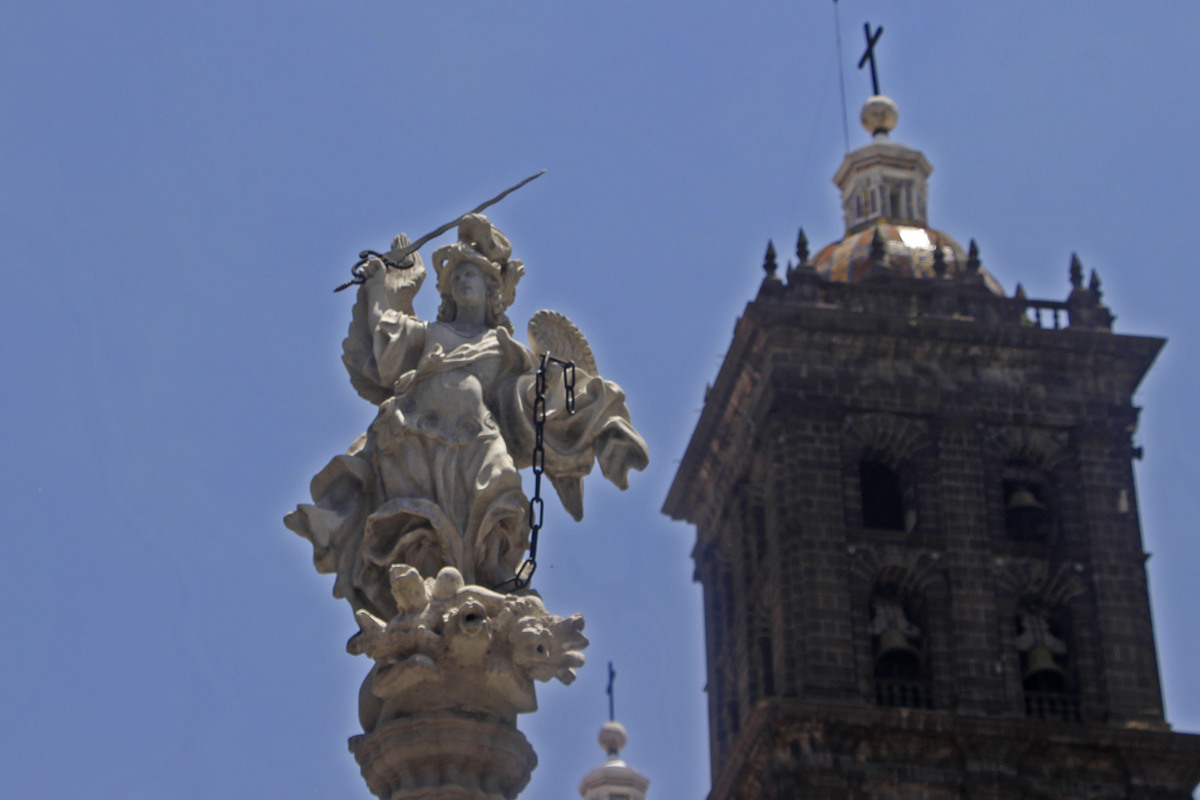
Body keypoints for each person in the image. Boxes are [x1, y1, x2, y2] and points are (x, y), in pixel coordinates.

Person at [287, 214, 648, 619]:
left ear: (492, 287)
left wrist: (599, 423)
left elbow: (542, 398)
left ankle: (485, 572)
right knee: (416, 524)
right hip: (414, 438)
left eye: (471, 274)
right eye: (456, 276)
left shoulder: (506, 348)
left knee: (500, 494)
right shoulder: (430, 333)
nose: (462, 282)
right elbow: (384, 344)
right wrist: (379, 288)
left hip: (478, 440)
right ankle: (425, 586)